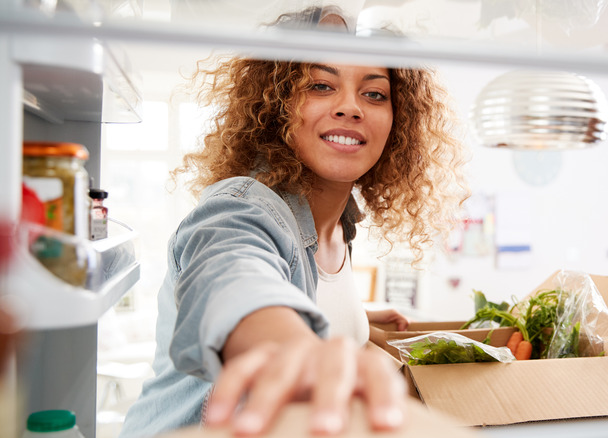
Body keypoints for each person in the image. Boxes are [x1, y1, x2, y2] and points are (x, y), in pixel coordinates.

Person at [119, 6, 469, 437]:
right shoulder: (241, 208)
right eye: (321, 86)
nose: (350, 107)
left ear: (398, 122)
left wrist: (359, 321)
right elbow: (233, 275)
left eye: (374, 94)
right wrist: (296, 350)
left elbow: (303, 289)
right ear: (278, 106)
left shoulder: (341, 220)